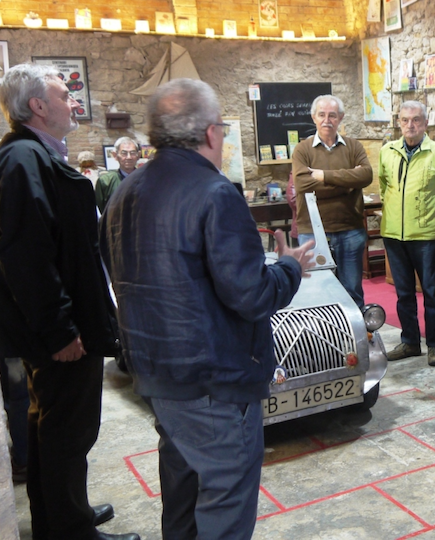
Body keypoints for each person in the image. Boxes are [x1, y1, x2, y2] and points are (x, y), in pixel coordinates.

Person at [101, 78, 315, 540]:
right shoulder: (216, 193)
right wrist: (290, 268)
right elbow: (252, 295)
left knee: (181, 499)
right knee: (225, 507)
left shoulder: (123, 192)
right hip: (214, 381)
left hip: (157, 375)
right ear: (212, 134)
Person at [0, 63, 138, 540]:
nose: (74, 104)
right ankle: (69, 531)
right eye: (64, 96)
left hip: (60, 326)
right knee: (66, 432)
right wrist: (61, 330)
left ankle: (61, 515)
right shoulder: (24, 160)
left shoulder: (29, 157)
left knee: (51, 426)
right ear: (37, 106)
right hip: (59, 333)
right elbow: (27, 256)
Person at [379, 101, 435, 367]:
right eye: (405, 120)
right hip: (394, 234)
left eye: (416, 120)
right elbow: (383, 186)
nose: (410, 125)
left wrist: (432, 215)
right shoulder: (387, 151)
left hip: (426, 235)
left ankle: (434, 345)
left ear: (425, 123)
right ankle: (410, 342)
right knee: (403, 294)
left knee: (432, 293)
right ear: (398, 123)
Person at [292, 94, 373, 309]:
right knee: (317, 292)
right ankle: (323, 340)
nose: (327, 120)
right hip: (312, 233)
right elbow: (302, 185)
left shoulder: (354, 147)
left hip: (350, 230)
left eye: (332, 115)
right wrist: (347, 183)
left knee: (352, 290)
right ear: (313, 117)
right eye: (322, 115)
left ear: (341, 118)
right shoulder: (302, 150)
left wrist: (323, 176)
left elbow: (365, 176)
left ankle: (359, 338)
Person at [95, 136, 140, 213]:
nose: (129, 157)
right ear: (115, 155)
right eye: (124, 153)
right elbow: (102, 209)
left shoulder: (147, 179)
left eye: (132, 153)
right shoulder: (105, 182)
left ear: (138, 155)